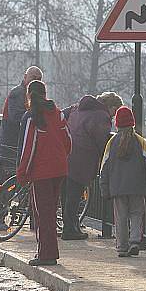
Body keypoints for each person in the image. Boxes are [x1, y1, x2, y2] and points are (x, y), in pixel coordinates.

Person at [16, 80, 71, 266]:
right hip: (59, 169)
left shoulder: (33, 118)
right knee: (52, 211)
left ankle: (46, 253)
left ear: (29, 95)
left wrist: (22, 173)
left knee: (42, 214)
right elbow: (67, 141)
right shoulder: (58, 114)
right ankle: (49, 252)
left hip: (41, 172)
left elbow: (28, 148)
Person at [60, 91, 123, 240]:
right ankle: (70, 230)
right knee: (75, 196)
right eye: (115, 111)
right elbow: (101, 142)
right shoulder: (101, 116)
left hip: (66, 155)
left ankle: (70, 225)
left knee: (67, 194)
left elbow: (61, 116)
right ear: (111, 107)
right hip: (82, 159)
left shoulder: (78, 108)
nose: (114, 117)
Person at [99, 106, 146, 257]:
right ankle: (135, 241)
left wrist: (104, 188)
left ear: (116, 124)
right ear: (132, 123)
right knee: (137, 214)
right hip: (138, 186)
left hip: (117, 188)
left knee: (121, 217)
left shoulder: (112, 143)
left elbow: (104, 167)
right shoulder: (140, 141)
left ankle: (122, 246)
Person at [0, 66, 43, 185]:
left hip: (16, 145)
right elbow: (16, 117)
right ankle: (2, 202)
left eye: (39, 79)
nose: (36, 81)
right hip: (11, 145)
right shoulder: (18, 94)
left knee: (13, 181)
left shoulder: (29, 95)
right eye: (34, 78)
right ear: (25, 77)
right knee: (8, 181)